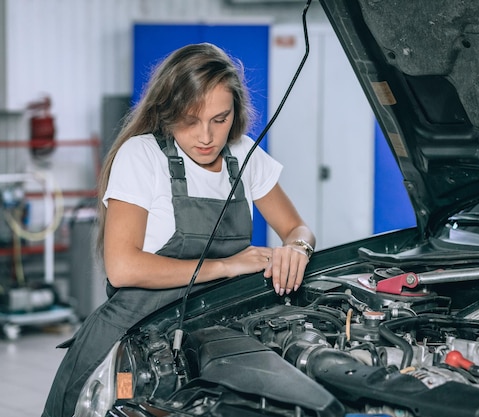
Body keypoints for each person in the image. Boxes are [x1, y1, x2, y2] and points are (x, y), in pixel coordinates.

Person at [42, 42, 315, 417]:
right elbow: (123, 267)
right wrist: (227, 266)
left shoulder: (244, 156)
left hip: (210, 333)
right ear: (167, 112)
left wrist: (297, 249)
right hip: (130, 338)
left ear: (235, 113)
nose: (206, 136)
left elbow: (297, 227)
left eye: (220, 119)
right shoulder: (142, 156)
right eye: (190, 119)